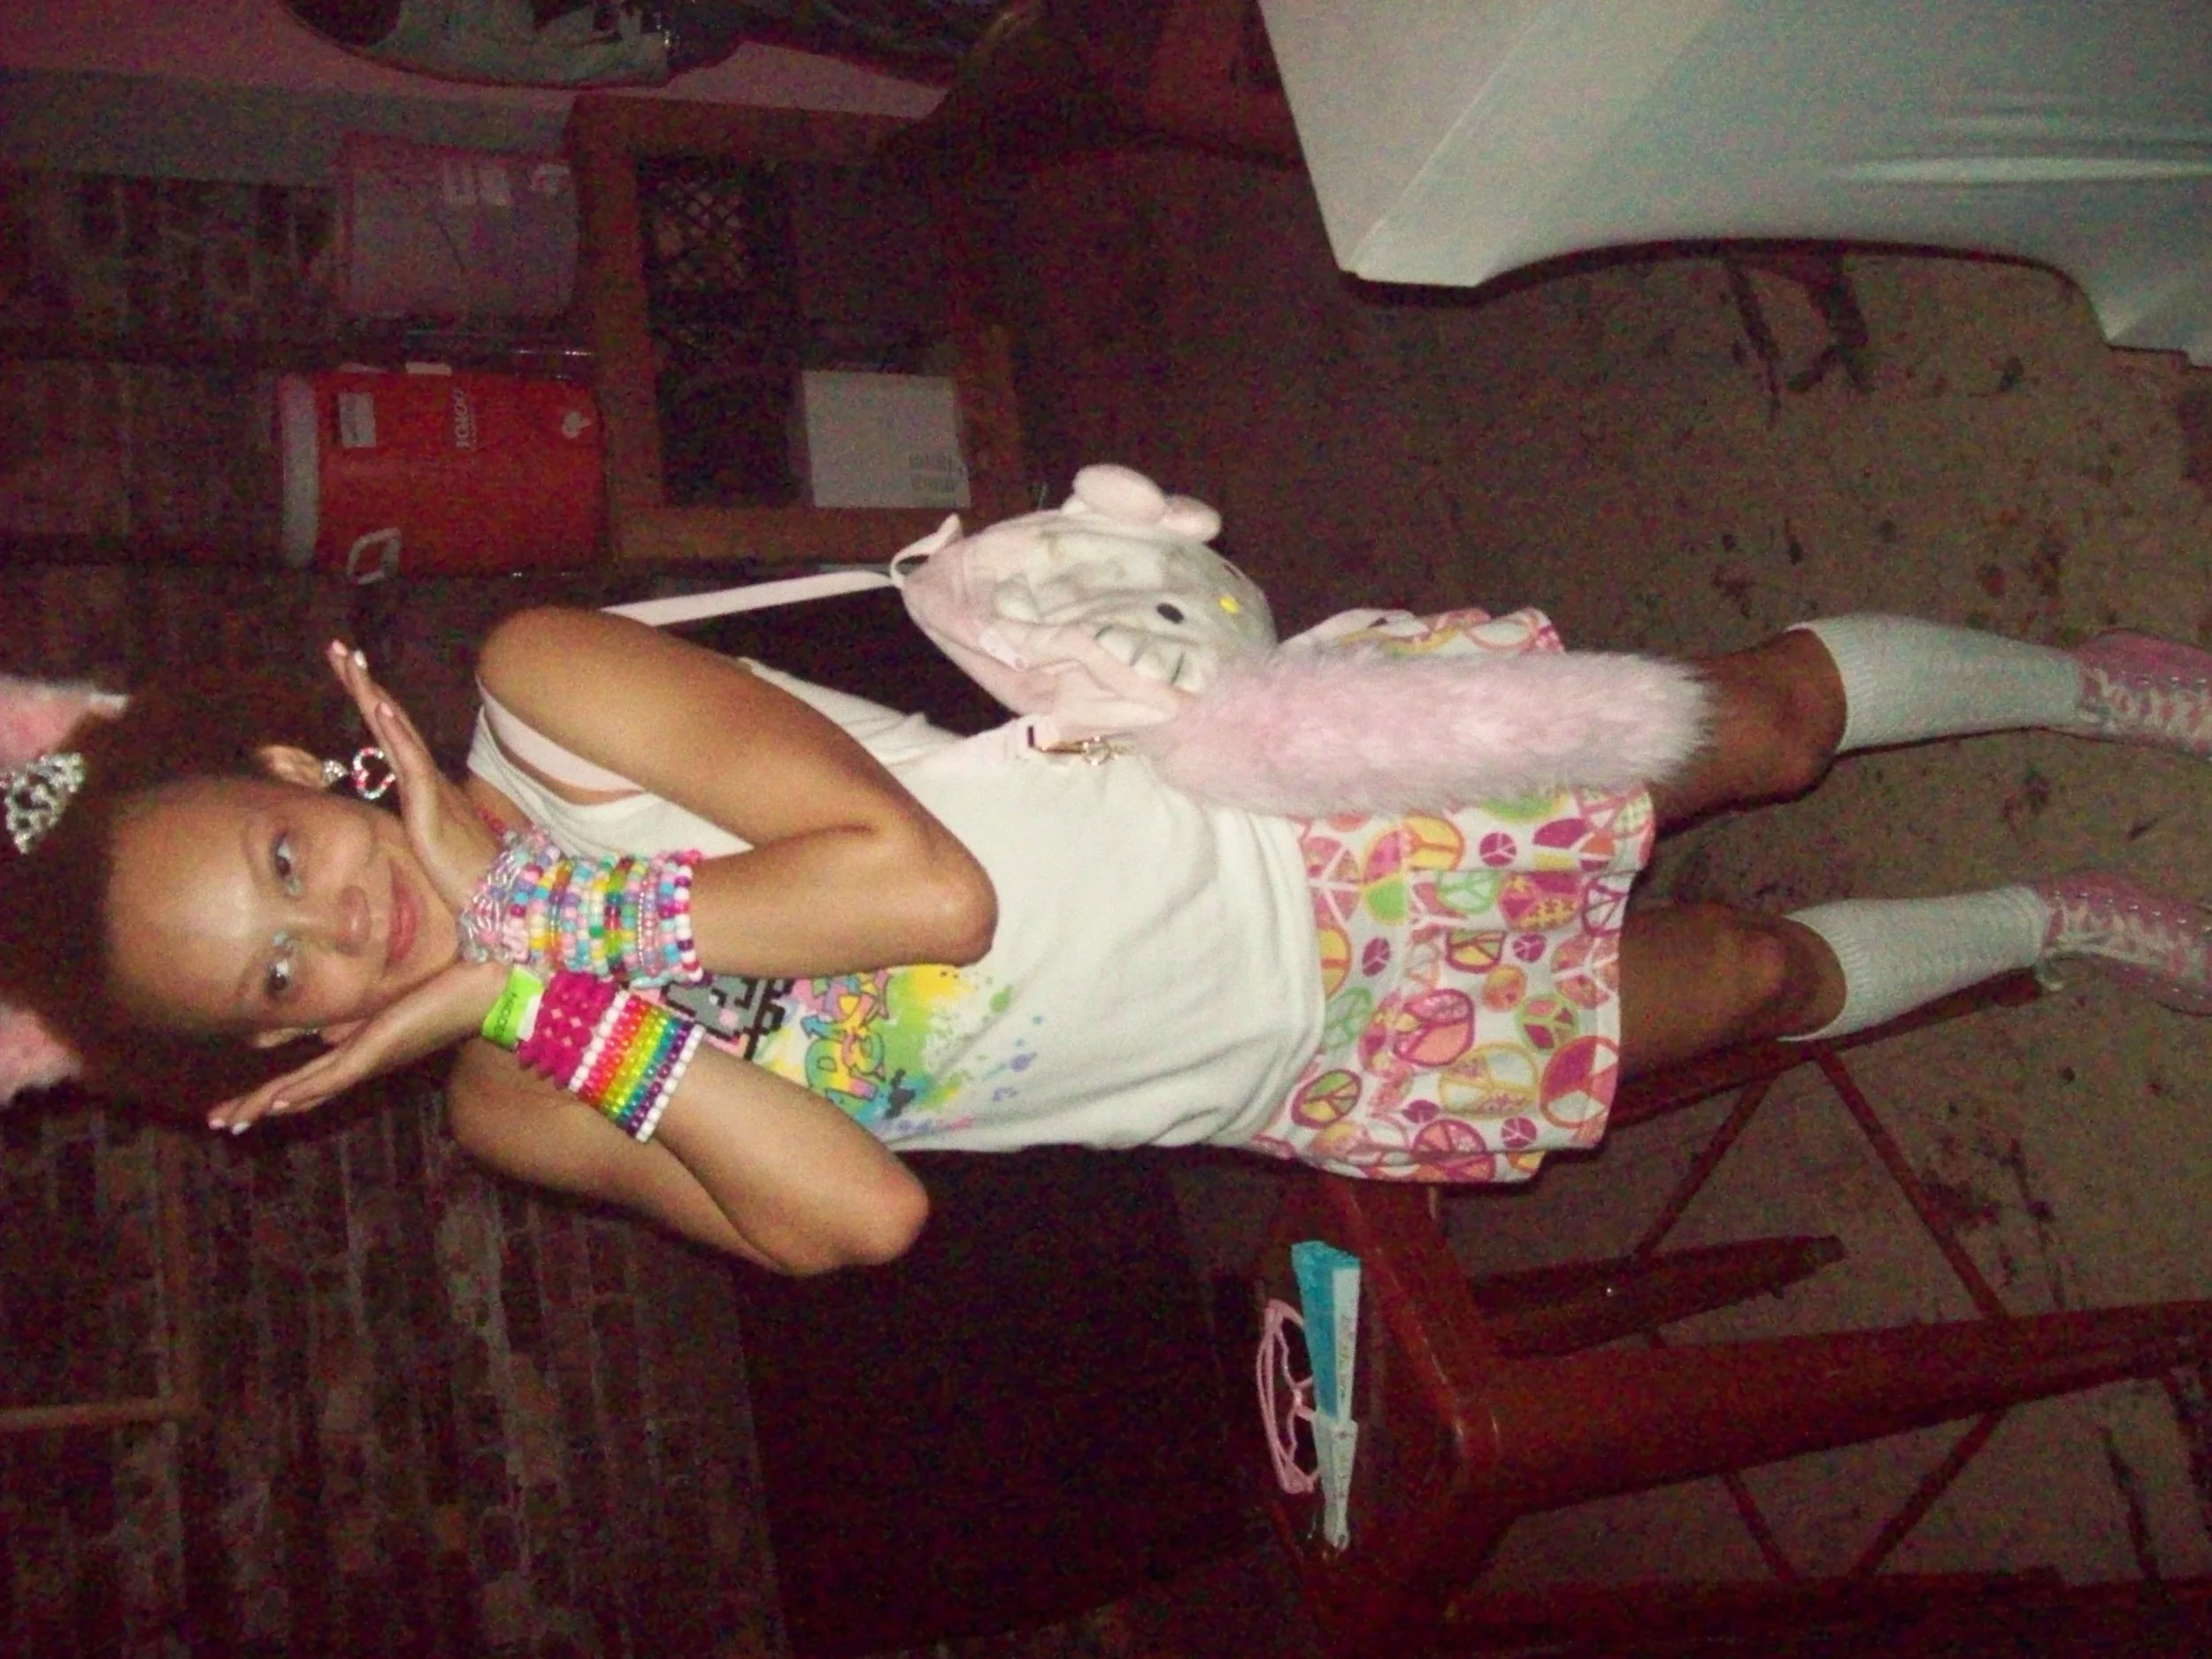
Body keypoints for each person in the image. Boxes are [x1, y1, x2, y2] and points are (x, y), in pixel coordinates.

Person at [4, 582, 2210, 1276]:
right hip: (1282, 1056)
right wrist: (535, 996)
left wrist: (535, 910)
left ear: (296, 769)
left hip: (1294, 828)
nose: (332, 928)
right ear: (278, 1050)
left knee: (1759, 731)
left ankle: (2093, 686)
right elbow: (854, 1217)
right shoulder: (517, 1099)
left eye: (280, 862)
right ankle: (2065, 911)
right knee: (1745, 981)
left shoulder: (544, 697)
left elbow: (919, 892)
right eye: (276, 978)